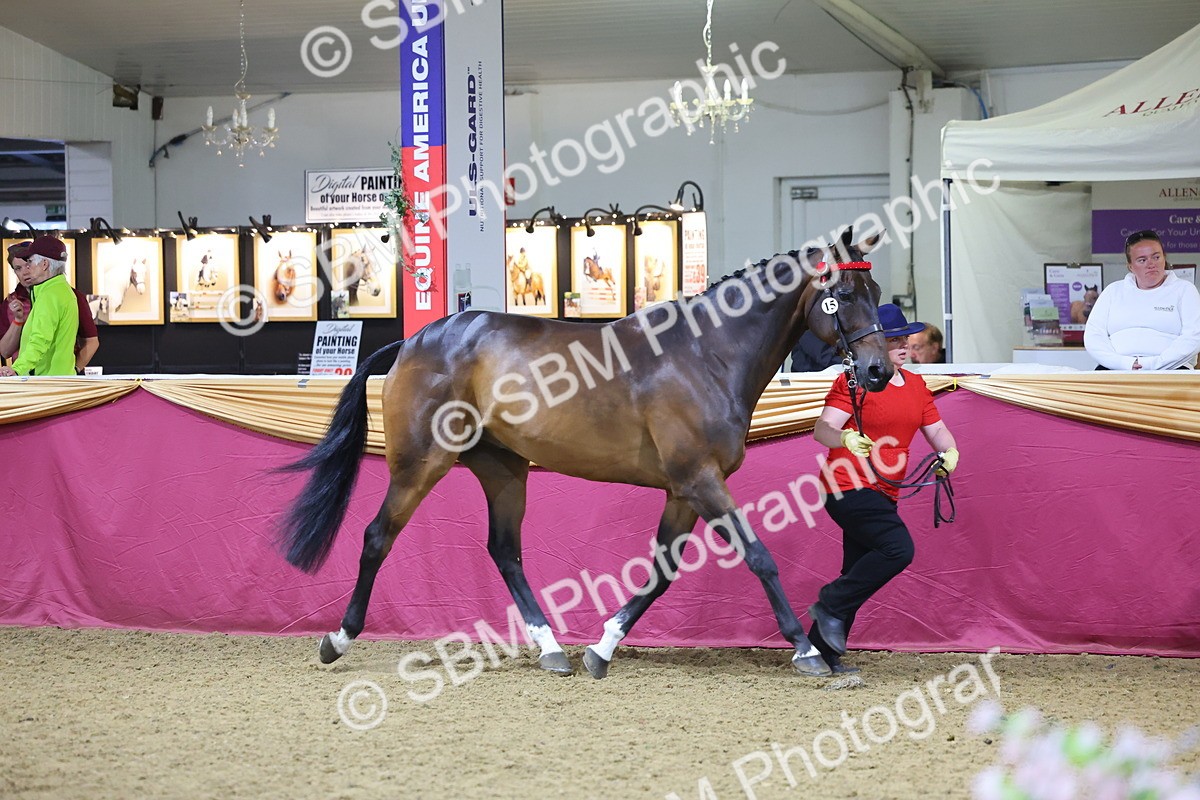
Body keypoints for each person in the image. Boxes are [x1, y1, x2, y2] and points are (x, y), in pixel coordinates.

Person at [805, 304, 959, 674]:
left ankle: (815, 653)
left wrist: (949, 451)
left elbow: (935, 429)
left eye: (905, 338)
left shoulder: (917, 386)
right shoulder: (854, 381)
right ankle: (828, 603)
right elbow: (822, 429)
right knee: (897, 549)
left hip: (884, 491)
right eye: (893, 340)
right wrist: (843, 436)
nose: (903, 345)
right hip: (846, 484)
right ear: (874, 344)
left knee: (858, 569)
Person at [1084, 229, 1200, 370]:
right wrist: (1122, 363)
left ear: (1164, 257)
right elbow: (1093, 335)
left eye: (1156, 257)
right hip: (1116, 368)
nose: (1150, 264)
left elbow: (1194, 336)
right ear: (1130, 266)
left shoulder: (1185, 290)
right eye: (1142, 260)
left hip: (1172, 369)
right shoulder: (1113, 291)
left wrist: (1153, 364)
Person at [0, 240, 99, 372]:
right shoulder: (60, 291)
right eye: (18, 268)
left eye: (29, 262)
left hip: (46, 382)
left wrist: (18, 369)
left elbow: (40, 340)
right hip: (56, 379)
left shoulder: (50, 295)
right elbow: (6, 351)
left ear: (44, 264)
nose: (27, 269)